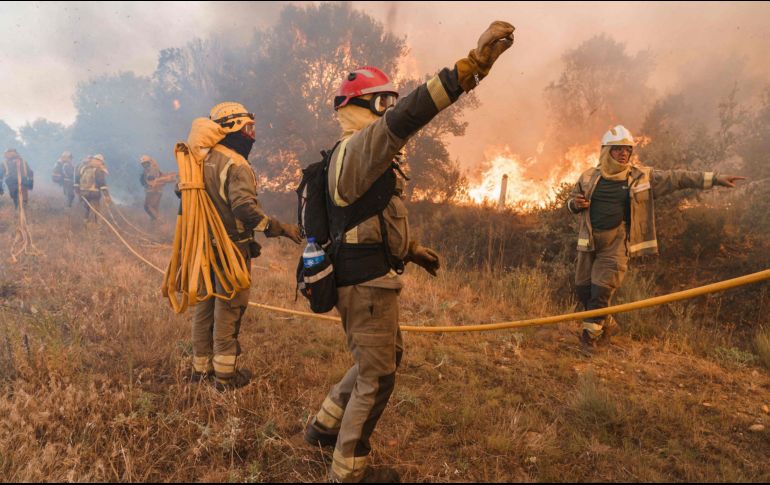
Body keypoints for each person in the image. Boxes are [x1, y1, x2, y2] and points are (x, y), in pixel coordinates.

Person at [303, 21, 515, 483]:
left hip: (369, 282)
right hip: (367, 288)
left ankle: (323, 428)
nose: (388, 112)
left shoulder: (358, 155)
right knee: (378, 377)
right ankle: (348, 470)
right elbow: (411, 116)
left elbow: (371, 223)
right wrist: (469, 69)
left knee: (379, 359)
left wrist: (412, 250)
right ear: (358, 107)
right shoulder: (360, 146)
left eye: (390, 104)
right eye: (381, 103)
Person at [566, 125, 746, 351]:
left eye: (627, 149)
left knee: (601, 289)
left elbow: (678, 178)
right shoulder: (588, 177)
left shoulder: (641, 178)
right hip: (589, 242)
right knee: (584, 291)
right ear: (606, 152)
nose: (624, 153)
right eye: (618, 149)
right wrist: (574, 204)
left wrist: (716, 179)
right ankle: (607, 323)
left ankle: (589, 340)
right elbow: (572, 201)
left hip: (616, 244)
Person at [189, 102, 302, 391]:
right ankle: (225, 377)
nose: (252, 135)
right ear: (232, 129)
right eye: (247, 128)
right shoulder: (236, 164)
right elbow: (244, 209)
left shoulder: (202, 160)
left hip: (202, 246)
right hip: (230, 250)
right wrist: (278, 228)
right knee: (229, 306)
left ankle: (200, 369)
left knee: (205, 304)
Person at [75, 154, 110, 223]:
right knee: (96, 210)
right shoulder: (98, 170)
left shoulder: (84, 168)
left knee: (86, 208)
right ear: (100, 161)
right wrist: (107, 196)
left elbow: (77, 180)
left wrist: (78, 192)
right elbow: (102, 184)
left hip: (83, 192)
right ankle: (96, 224)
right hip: (94, 193)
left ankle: (86, 222)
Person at [139, 155, 169, 221]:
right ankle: (156, 222)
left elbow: (151, 179)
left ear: (149, 162)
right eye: (143, 164)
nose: (144, 165)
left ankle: (159, 220)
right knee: (153, 208)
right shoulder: (149, 169)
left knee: (147, 206)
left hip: (154, 191)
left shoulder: (153, 169)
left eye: (146, 163)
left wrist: (147, 181)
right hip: (155, 191)